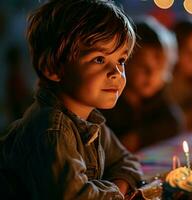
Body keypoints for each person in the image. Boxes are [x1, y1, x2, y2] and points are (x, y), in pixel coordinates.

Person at [0, 0, 143, 199]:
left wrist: (116, 185)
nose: (116, 73)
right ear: (53, 68)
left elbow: (128, 162)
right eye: (99, 59)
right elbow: (74, 196)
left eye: (121, 60)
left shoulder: (91, 121)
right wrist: (117, 191)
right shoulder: (52, 129)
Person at [102, 17, 183, 152]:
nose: (150, 75)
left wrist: (140, 137)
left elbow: (174, 123)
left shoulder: (156, 100)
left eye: (159, 68)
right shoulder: (110, 101)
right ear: (125, 63)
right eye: (142, 66)